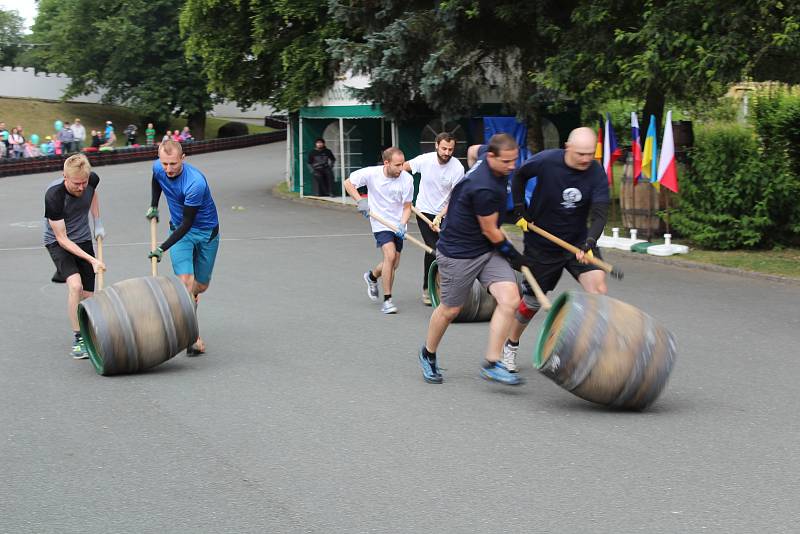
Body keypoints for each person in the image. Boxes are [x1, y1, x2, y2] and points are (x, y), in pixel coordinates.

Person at [417, 133, 532, 385]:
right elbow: (492, 231)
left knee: (511, 299)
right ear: (492, 157)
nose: (512, 167)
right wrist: (517, 258)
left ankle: (492, 363)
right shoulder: (484, 187)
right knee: (450, 310)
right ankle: (428, 353)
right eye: (507, 162)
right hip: (459, 252)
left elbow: (472, 148)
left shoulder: (483, 156)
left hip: (486, 249)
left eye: (515, 160)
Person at [501, 127, 610, 372]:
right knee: (531, 302)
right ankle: (511, 345)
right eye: (580, 153)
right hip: (542, 243)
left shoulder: (595, 173)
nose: (585, 159)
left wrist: (589, 243)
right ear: (567, 147)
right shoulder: (547, 161)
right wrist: (520, 208)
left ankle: (590, 348)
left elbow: (601, 214)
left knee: (599, 289)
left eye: (590, 154)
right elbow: (518, 175)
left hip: (577, 242)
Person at [147, 140, 220, 355]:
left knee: (200, 286)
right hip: (179, 233)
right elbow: (156, 179)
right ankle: (191, 336)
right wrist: (153, 205)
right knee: (185, 282)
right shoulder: (158, 167)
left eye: (173, 164)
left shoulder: (194, 183)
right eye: (164, 163)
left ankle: (189, 300)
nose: (168, 169)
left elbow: (188, 223)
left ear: (183, 158)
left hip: (205, 233)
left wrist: (162, 248)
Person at [43, 154, 106, 359]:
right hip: (58, 242)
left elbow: (93, 193)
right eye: (76, 184)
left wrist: (97, 222)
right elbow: (62, 239)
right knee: (76, 286)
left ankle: (91, 332)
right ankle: (79, 339)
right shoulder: (54, 196)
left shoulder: (91, 179)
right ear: (65, 177)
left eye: (84, 182)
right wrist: (92, 259)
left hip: (83, 238)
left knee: (89, 296)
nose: (81, 187)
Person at [344, 147, 414, 315]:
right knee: (389, 256)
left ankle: (372, 276)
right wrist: (360, 201)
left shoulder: (407, 179)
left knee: (393, 263)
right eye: (397, 165)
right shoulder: (371, 174)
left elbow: (407, 207)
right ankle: (388, 300)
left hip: (398, 224)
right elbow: (348, 183)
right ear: (386, 163)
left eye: (402, 164)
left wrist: (402, 224)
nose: (400, 168)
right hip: (380, 223)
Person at [402, 132, 464, 305]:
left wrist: (441, 215)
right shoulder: (425, 160)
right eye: (444, 148)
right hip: (424, 212)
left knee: (447, 249)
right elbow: (402, 168)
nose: (447, 152)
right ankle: (427, 289)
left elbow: (456, 197)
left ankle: (445, 287)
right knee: (433, 247)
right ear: (436, 145)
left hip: (445, 213)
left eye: (450, 149)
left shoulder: (457, 168)